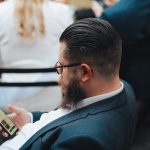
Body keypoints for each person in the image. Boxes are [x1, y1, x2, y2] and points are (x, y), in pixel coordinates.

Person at [0, 18, 136, 150]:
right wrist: (29, 119)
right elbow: (66, 116)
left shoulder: (83, 141)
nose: (58, 79)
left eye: (62, 67)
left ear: (84, 72)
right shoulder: (122, 88)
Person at [0, 0, 73, 107]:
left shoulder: (2, 10)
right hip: (52, 98)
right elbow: (70, 57)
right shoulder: (63, 10)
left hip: (8, 99)